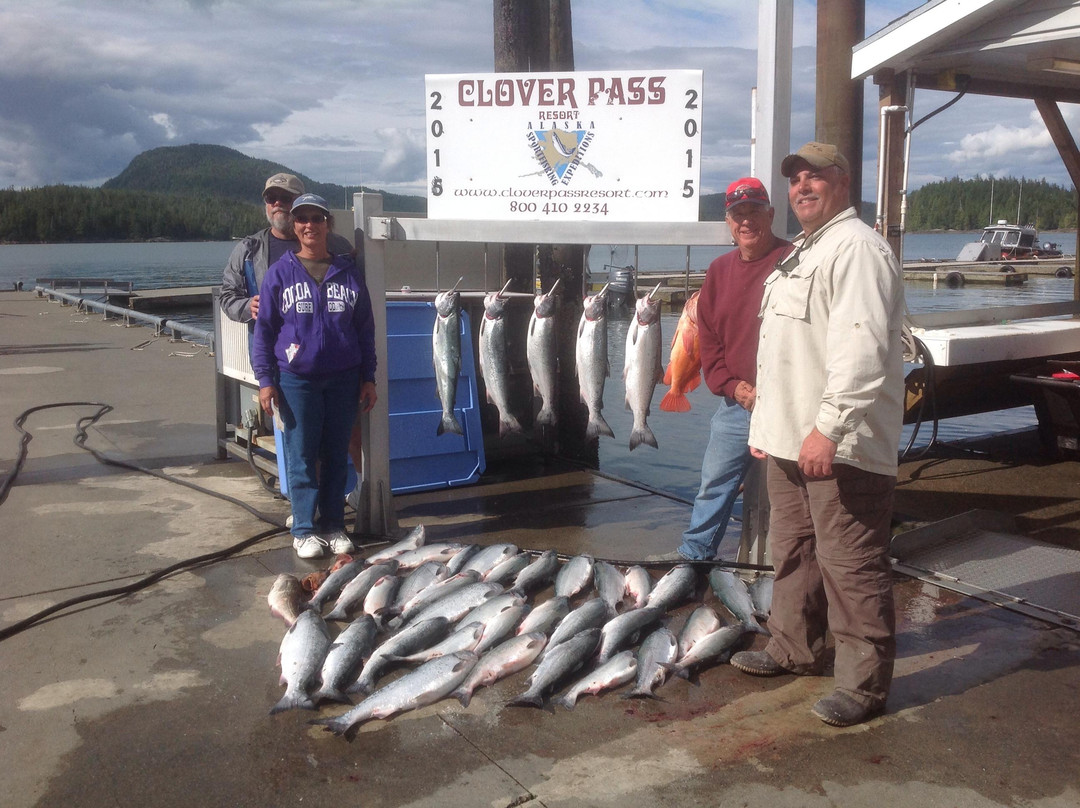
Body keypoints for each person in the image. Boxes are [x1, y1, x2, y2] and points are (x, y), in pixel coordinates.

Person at [732, 142, 906, 728]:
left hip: (840, 447)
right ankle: (794, 647)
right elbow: (785, 352)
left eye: (816, 176)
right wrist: (767, 428)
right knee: (794, 554)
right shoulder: (806, 249)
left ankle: (862, 685)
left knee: (851, 562)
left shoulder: (857, 249)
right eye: (796, 178)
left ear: (843, 180)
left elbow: (863, 353)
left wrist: (827, 429)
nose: (803, 186)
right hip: (787, 442)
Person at [219, 172, 367, 499]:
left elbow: (357, 297)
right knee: (300, 438)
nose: (277, 205)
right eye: (271, 198)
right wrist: (248, 306)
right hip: (278, 363)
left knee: (349, 432)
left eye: (285, 200)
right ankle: (306, 509)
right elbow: (226, 297)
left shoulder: (337, 246)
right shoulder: (249, 250)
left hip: (336, 363)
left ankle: (357, 494)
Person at [252, 194, 378, 559]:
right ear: (294, 227)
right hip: (296, 380)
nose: (310, 225)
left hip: (343, 379)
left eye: (317, 218)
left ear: (328, 224)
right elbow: (265, 332)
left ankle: (334, 525)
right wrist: (265, 380)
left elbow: (364, 330)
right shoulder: (279, 274)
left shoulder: (348, 273)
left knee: (337, 453)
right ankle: (304, 528)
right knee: (302, 453)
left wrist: (368, 377)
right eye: (302, 219)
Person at [672, 177, 791, 561]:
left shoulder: (794, 261)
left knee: (793, 495)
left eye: (754, 211)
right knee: (713, 485)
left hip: (789, 404)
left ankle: (794, 570)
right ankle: (694, 556)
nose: (746, 221)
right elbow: (709, 342)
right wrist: (731, 386)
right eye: (738, 214)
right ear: (728, 222)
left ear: (770, 214)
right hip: (736, 404)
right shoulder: (719, 271)